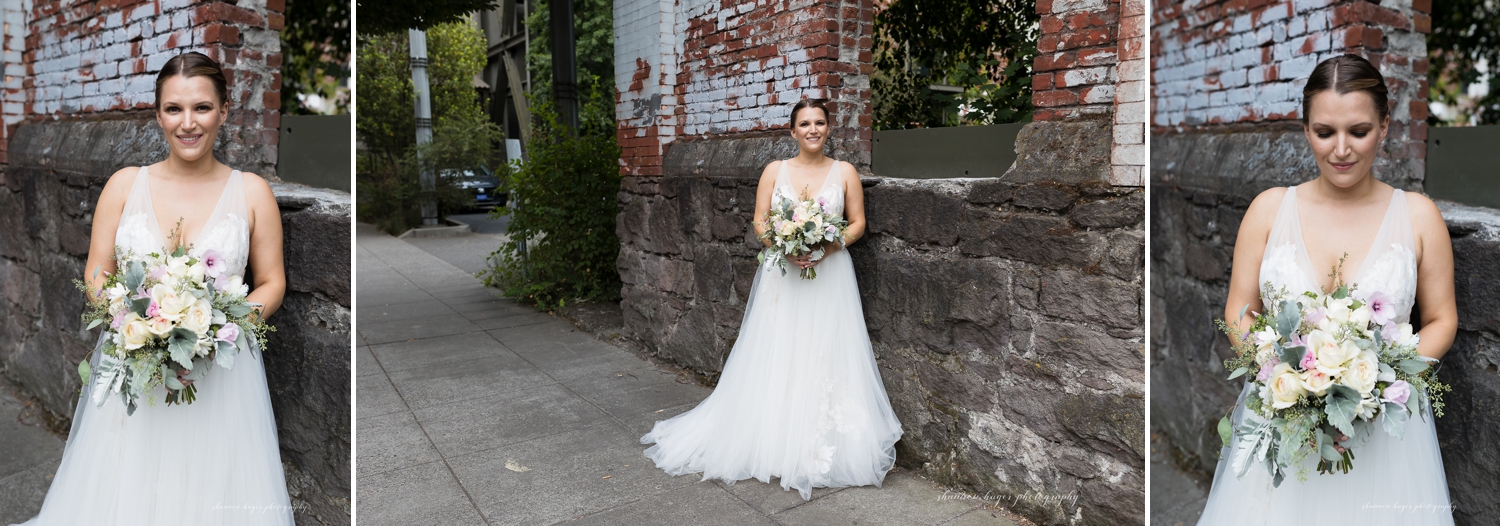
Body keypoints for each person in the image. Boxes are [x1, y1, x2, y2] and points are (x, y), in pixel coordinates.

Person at [16, 52, 294, 525]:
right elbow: (96, 273)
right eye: (174, 109)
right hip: (134, 364)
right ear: (158, 114)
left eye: (202, 108)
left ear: (224, 111)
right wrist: (134, 324)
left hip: (223, 378)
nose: (188, 123)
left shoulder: (251, 192)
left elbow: (272, 282)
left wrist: (216, 331)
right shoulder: (125, 186)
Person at [1197, 54, 1457, 524]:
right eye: (1324, 132)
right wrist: (1284, 376)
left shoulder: (1419, 217)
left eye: (1358, 131)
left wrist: (1382, 379)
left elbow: (1442, 318)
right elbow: (1240, 307)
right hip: (1283, 418)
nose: (1341, 149)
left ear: (1383, 127)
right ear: (1306, 130)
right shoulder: (1269, 210)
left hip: (1386, 438)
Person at [640, 99, 904, 500]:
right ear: (793, 131)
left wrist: (827, 247)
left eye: (819, 122)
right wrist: (783, 244)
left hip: (830, 274)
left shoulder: (845, 172)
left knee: (828, 348)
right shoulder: (774, 171)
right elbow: (760, 221)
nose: (812, 129)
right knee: (781, 347)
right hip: (784, 276)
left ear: (829, 129)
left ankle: (824, 442)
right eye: (804, 123)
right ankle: (774, 437)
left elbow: (858, 224)